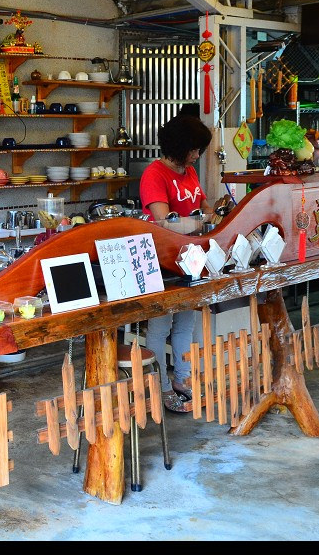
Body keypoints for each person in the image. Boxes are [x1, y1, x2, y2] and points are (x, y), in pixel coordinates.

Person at [138, 114, 212, 413]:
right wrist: (202, 219)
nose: (196, 156)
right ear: (179, 146)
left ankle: (182, 379)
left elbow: (204, 204)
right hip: (163, 259)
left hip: (192, 258)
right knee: (159, 327)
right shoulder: (154, 175)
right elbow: (163, 221)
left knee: (186, 324)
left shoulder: (189, 171)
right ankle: (160, 387)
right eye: (193, 149)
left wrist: (211, 211)